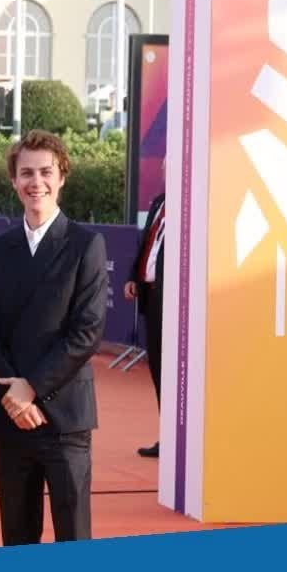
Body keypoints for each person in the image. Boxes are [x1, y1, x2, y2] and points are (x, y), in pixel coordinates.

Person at [0, 129, 109, 546]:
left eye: (46, 172)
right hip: (13, 417)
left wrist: (30, 387)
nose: (37, 182)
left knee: (73, 536)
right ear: (13, 180)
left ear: (62, 176)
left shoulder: (86, 245)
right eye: (27, 173)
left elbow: (86, 332)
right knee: (17, 536)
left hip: (65, 417)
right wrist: (14, 395)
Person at [125, 190, 165, 458]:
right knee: (158, 368)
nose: (166, 172)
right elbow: (146, 244)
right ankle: (168, 436)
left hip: (173, 298)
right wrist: (133, 276)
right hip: (150, 296)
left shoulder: (191, 202)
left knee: (173, 372)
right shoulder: (159, 201)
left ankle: (180, 438)